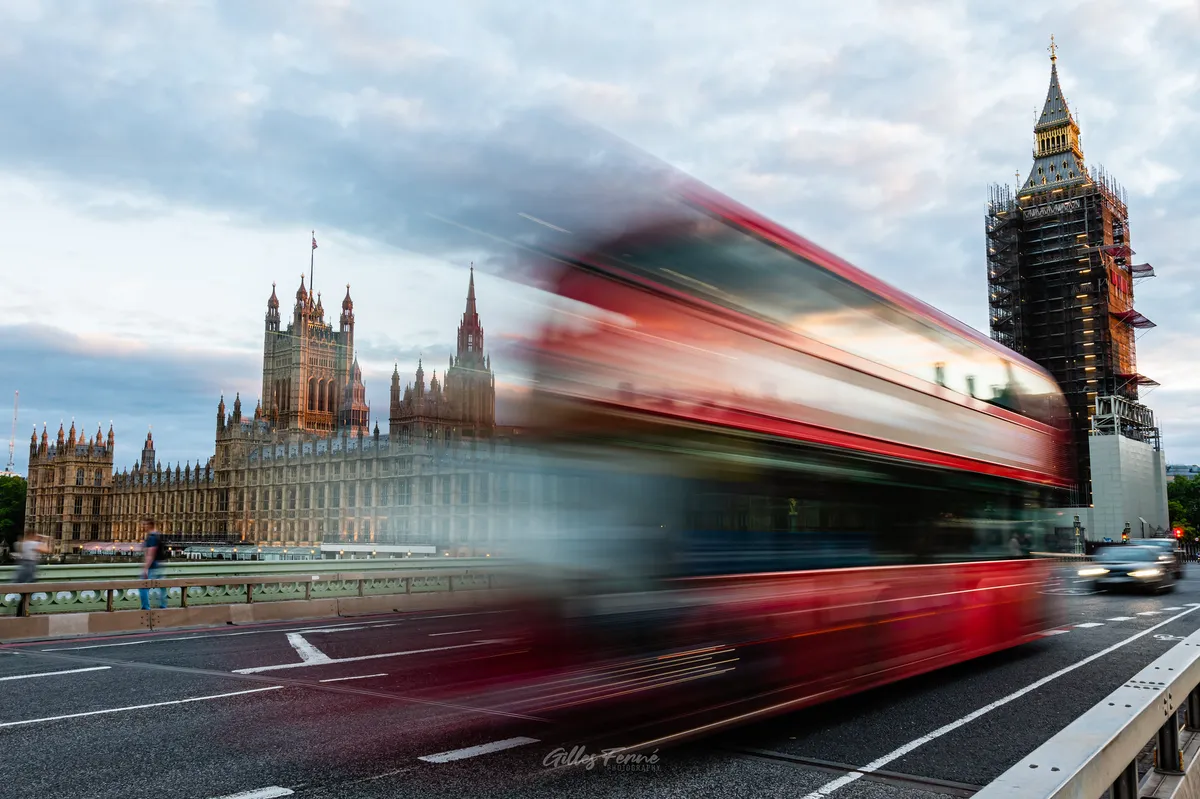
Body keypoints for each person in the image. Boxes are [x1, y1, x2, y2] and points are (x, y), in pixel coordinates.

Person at [138, 517, 169, 610]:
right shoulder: (157, 535)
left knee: (142, 586)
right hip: (159, 564)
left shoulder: (151, 537)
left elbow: (151, 554)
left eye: (144, 525)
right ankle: (163, 606)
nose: (143, 527)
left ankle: (145, 607)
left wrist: (145, 568)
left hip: (152, 566)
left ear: (150, 525)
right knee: (161, 586)